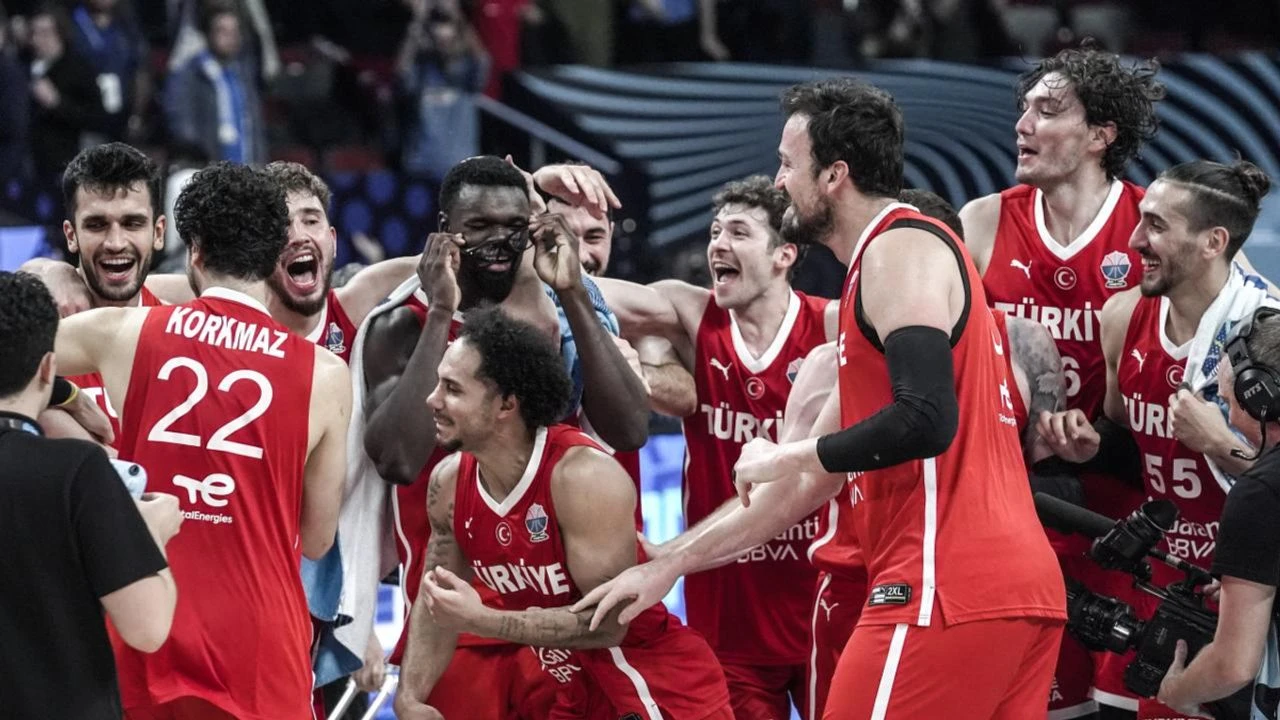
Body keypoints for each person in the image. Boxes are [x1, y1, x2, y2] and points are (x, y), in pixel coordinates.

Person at [578, 78, 1066, 719]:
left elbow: (926, 418)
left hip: (941, 585)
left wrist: (783, 454)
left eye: (787, 164)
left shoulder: (900, 244)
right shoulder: (872, 288)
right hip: (998, 589)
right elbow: (807, 487)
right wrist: (669, 562)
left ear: (834, 174)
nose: (778, 182)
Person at [51, 162, 352, 719]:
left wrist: (67, 398)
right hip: (261, 642)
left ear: (193, 250)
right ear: (273, 256)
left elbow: (15, 349)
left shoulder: (124, 332)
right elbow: (315, 539)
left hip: (148, 623)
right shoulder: (327, 374)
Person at [359, 156, 648, 718]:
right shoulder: (400, 322)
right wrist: (442, 310)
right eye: (479, 227)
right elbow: (397, 458)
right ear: (445, 228)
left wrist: (572, 295)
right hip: (453, 621)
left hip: (557, 615)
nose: (498, 241)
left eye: (513, 227)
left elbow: (630, 429)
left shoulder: (554, 319)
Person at [395, 306, 731, 719]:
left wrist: (485, 620)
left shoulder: (581, 477)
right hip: (575, 691)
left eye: (453, 389)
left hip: (653, 685)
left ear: (506, 405)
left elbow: (610, 625)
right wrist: (410, 696)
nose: (433, 400)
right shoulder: (447, 485)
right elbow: (437, 604)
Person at [959, 46, 1165, 719]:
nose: (1022, 124)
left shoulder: (1155, 230)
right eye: (1023, 108)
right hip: (1017, 511)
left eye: (1047, 111)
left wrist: (1103, 439)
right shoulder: (985, 220)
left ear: (1101, 136)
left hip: (1130, 514)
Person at [1039, 160, 1273, 720]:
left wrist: (1220, 445)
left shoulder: (1268, 334)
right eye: (1142, 220)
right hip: (1157, 580)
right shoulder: (1122, 316)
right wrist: (1093, 445)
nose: (1135, 239)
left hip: (1244, 598)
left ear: (1214, 241)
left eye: (1157, 226)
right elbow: (1128, 443)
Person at [596, 174, 835, 719]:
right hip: (728, 609)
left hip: (819, 598)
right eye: (714, 231)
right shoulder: (691, 312)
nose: (718, 244)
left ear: (784, 255)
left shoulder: (830, 326)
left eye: (739, 232)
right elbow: (589, 292)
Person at [0, 270, 180, 720]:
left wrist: (66, 394)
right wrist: (150, 534)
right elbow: (148, 627)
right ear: (47, 366)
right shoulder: (78, 473)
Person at [1157, 307, 1280, 717]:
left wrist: (1178, 693)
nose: (1224, 415)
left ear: (1260, 398)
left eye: (1228, 402)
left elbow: (1232, 664)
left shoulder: (1260, 493)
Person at [164, 2, 267, 164]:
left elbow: (254, 126)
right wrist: (198, 159)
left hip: (245, 166)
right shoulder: (191, 74)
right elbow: (182, 124)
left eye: (234, 32)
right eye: (222, 31)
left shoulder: (243, 76)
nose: (230, 38)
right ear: (208, 34)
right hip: (206, 168)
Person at [27, 3, 107, 178]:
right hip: (33, 165)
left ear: (60, 33)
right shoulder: (25, 65)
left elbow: (96, 118)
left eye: (45, 33)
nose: (37, 40)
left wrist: (57, 103)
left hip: (67, 165)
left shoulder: (78, 69)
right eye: (33, 33)